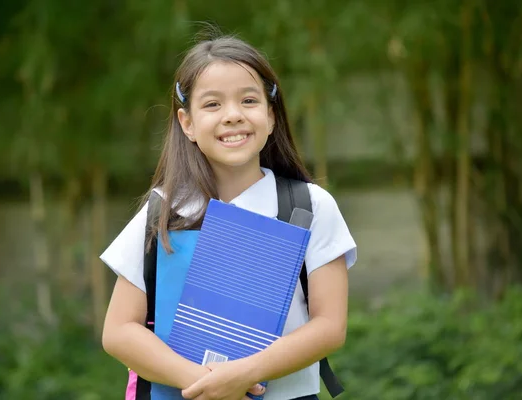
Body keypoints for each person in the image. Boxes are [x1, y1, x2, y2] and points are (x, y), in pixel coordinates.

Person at [100, 33, 357, 400]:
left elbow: (330, 326)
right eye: (213, 104)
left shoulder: (309, 207)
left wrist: (246, 373)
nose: (233, 115)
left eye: (249, 100)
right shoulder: (164, 210)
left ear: (271, 116)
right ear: (187, 123)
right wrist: (203, 382)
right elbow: (119, 330)